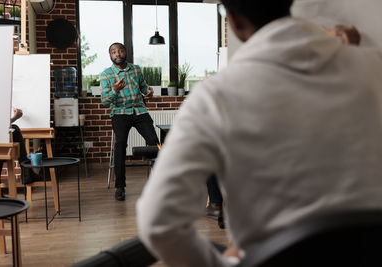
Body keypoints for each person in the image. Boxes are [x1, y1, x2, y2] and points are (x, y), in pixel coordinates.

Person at [136, 0, 382, 266]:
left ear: (233, 19)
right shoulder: (373, 66)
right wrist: (353, 53)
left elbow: (158, 224)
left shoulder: (216, 95)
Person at [101, 42, 159, 201]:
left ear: (125, 53)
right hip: (119, 113)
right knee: (120, 144)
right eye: (113, 52)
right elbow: (105, 102)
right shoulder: (106, 74)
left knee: (154, 142)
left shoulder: (136, 69)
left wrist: (149, 93)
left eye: (120, 51)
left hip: (139, 111)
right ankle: (120, 187)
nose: (117, 54)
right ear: (110, 56)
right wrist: (115, 91)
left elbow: (144, 88)